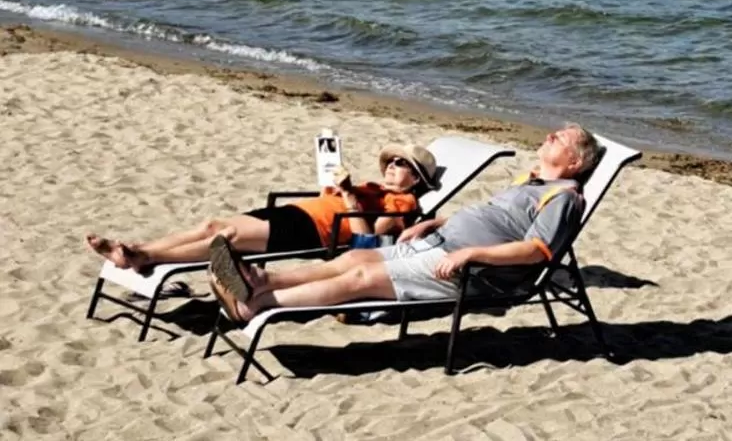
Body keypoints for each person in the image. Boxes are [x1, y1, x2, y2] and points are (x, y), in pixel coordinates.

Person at [207, 124, 599, 323]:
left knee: (360, 280)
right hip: (439, 243)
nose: (549, 135)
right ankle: (264, 281)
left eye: (560, 138)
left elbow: (535, 251)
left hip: (469, 270)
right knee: (352, 260)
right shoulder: (530, 183)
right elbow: (493, 220)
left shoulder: (564, 198)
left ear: (575, 162)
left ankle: (256, 305)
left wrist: (470, 254)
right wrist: (434, 222)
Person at [86, 143, 437, 274]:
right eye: (391, 161)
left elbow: (366, 240)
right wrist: (331, 182)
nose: (392, 166)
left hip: (313, 231)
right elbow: (329, 199)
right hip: (299, 211)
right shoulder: (374, 187)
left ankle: (144, 258)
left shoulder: (403, 204)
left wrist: (348, 195)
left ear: (416, 179)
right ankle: (139, 249)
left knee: (228, 239)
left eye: (402, 164)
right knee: (212, 225)